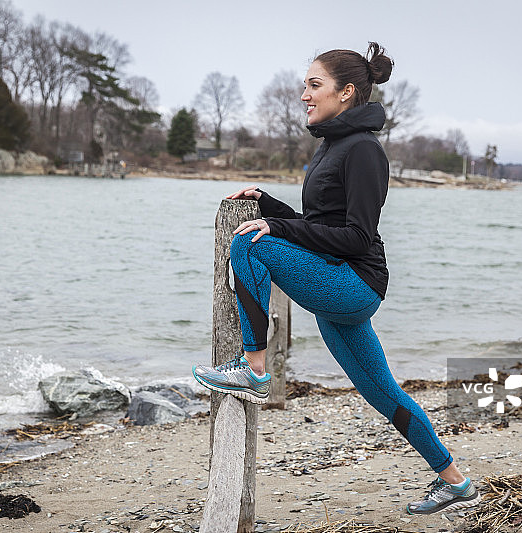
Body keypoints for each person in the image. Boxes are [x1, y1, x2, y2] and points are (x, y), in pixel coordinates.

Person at [192, 42, 480, 515]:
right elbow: (320, 225)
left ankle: (255, 371)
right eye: (305, 84)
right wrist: (267, 204)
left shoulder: (364, 151)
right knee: (381, 392)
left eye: (314, 84)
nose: (304, 94)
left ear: (346, 92)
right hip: (337, 284)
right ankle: (455, 481)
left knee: (248, 244)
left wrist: (274, 228)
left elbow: (356, 236)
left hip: (354, 282)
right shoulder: (333, 146)